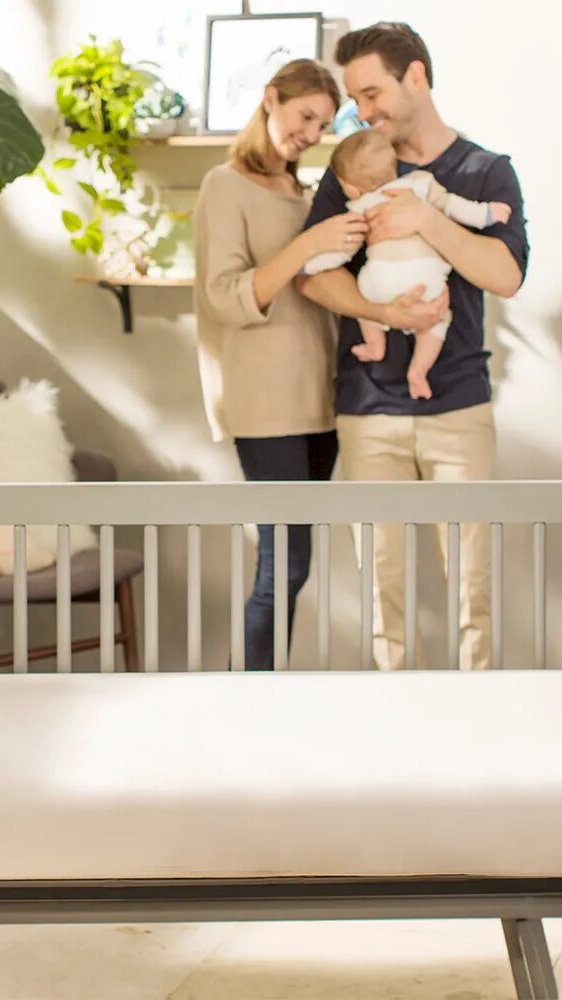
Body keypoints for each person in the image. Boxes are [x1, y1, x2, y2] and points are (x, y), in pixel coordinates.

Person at [299, 22, 529, 670]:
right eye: (357, 100)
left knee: (471, 588)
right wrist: (381, 311)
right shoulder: (351, 170)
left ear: (417, 77)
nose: (364, 112)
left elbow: (506, 275)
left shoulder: (484, 171)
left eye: (372, 94)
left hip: (457, 409)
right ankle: (391, 732)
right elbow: (312, 274)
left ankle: (476, 728)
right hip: (369, 411)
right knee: (381, 588)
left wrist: (427, 217)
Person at [194, 58, 366, 670]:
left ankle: (268, 690)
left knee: (297, 564)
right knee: (283, 565)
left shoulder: (303, 192)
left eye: (323, 123)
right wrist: (309, 245)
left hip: (321, 397)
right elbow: (224, 295)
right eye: (305, 116)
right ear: (270, 99)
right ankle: (253, 696)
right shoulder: (225, 185)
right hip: (266, 404)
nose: (313, 133)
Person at [303, 129, 513, 399]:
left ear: (352, 188)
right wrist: (485, 213)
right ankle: (418, 371)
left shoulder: (360, 206)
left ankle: (374, 344)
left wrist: (312, 264)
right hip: (425, 280)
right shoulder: (421, 184)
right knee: (439, 320)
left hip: (377, 283)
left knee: (366, 304)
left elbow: (344, 248)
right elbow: (452, 205)